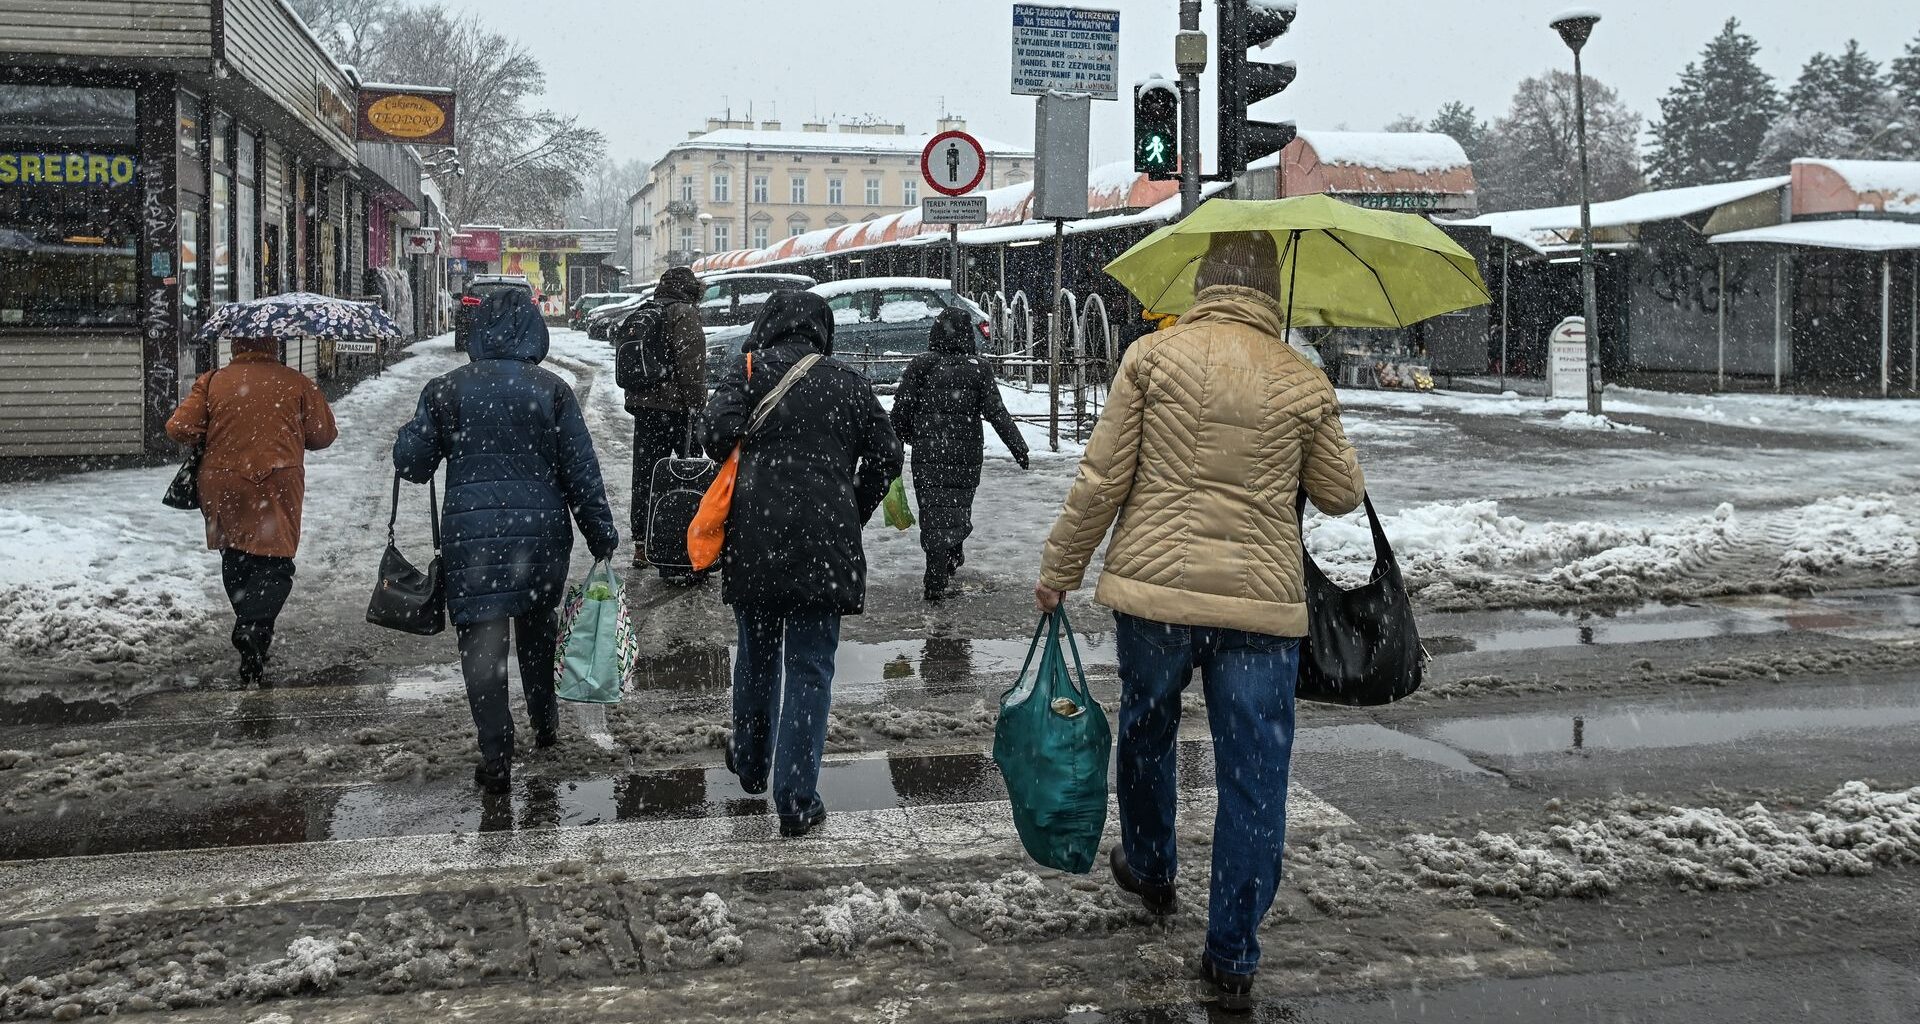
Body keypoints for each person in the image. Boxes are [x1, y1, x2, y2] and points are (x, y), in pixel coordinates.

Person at [1033, 232, 1365, 1011]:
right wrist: (1312, 414)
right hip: (1260, 609)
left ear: (1205, 280)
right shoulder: (1301, 377)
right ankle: (1233, 952)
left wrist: (1060, 569)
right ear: (1272, 291)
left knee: (1147, 729)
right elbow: (1342, 493)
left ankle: (1151, 865)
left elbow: (1103, 478)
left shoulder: (1153, 358)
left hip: (1157, 597)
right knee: (1255, 774)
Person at [393, 290, 620, 794]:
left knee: (482, 647)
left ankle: (496, 754)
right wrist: (601, 533)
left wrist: (416, 432)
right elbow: (581, 472)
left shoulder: (447, 390)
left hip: (471, 543)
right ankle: (545, 724)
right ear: (534, 332)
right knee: (537, 634)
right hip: (540, 542)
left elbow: (411, 463)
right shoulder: (552, 390)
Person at [705, 290, 901, 838]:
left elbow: (714, 435)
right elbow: (888, 455)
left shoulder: (748, 371)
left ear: (768, 324)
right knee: (811, 669)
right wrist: (852, 505)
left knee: (757, 658)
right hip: (825, 547)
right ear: (822, 330)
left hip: (756, 540)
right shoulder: (849, 383)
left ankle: (750, 763)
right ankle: (795, 798)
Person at [166, 337, 338, 687]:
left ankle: (252, 631)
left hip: (223, 482)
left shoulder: (213, 382)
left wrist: (214, 426)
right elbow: (323, 435)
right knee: (275, 563)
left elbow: (179, 427)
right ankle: (254, 627)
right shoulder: (296, 383)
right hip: (276, 482)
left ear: (236, 347)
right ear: (274, 346)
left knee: (236, 555)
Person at [890, 306, 1029, 601]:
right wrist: (1018, 447)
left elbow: (901, 410)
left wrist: (906, 439)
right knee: (956, 509)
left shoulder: (921, 365)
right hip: (965, 457)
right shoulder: (978, 368)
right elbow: (996, 412)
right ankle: (950, 558)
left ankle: (936, 573)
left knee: (933, 513)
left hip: (927, 455)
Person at [624, 265, 709, 572]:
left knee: (644, 476)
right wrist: (697, 404)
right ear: (691, 290)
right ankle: (688, 538)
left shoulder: (646, 310)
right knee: (691, 472)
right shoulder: (684, 313)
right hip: (676, 410)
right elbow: (691, 365)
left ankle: (642, 544)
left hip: (645, 408)